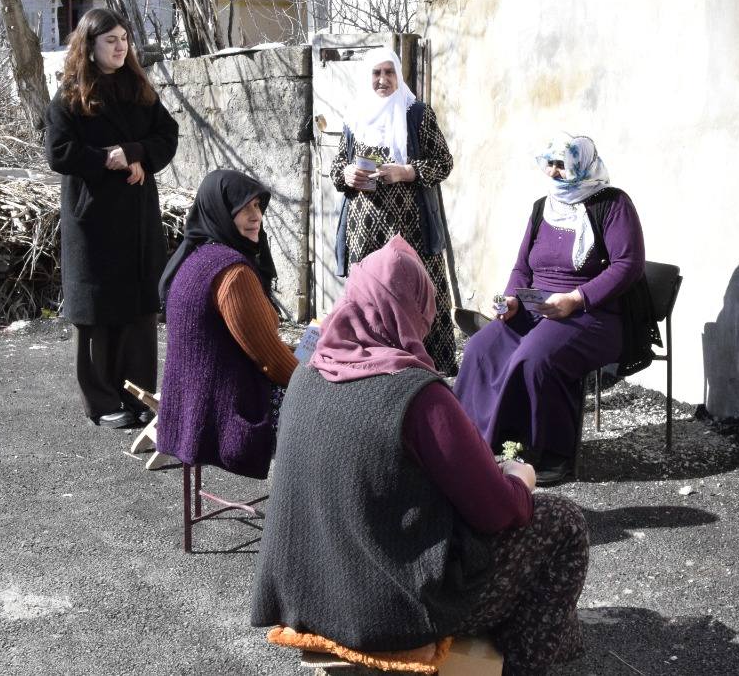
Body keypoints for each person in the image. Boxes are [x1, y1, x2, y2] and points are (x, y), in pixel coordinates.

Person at [251, 237, 589, 676]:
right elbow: (497, 512)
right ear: (412, 308)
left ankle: (549, 641)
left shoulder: (308, 375)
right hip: (390, 610)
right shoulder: (417, 395)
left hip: (307, 594)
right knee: (563, 523)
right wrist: (520, 479)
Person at [454, 134, 644, 485]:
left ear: (583, 165)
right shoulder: (544, 206)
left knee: (535, 357)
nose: (555, 172)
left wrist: (577, 298)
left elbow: (627, 264)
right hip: (535, 307)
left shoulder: (613, 203)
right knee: (481, 348)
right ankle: (471, 441)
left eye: (563, 165)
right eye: (551, 164)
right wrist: (511, 300)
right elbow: (522, 266)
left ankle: (548, 454)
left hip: (593, 313)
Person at [45, 8, 180, 429]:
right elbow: (59, 153)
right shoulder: (71, 94)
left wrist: (137, 154)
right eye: (111, 40)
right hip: (94, 218)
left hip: (136, 216)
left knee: (138, 307)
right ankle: (102, 402)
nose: (120, 46)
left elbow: (167, 134)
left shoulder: (138, 86)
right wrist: (109, 160)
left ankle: (139, 395)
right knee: (99, 312)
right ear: (90, 46)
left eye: (124, 38)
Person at [157, 169, 296, 478]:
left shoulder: (195, 256)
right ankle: (307, 512)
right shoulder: (232, 273)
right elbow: (270, 360)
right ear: (220, 212)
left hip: (188, 410)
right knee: (332, 414)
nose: (255, 215)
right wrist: (315, 384)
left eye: (258, 206)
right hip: (225, 417)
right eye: (243, 208)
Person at [330, 46, 459, 373]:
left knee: (416, 294)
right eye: (377, 73)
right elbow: (336, 167)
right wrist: (346, 174)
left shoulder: (416, 113)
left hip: (411, 230)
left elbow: (443, 163)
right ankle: (371, 368)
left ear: (399, 75)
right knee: (370, 297)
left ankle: (425, 373)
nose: (383, 79)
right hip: (365, 231)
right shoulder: (355, 115)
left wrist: (408, 171)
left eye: (389, 72)